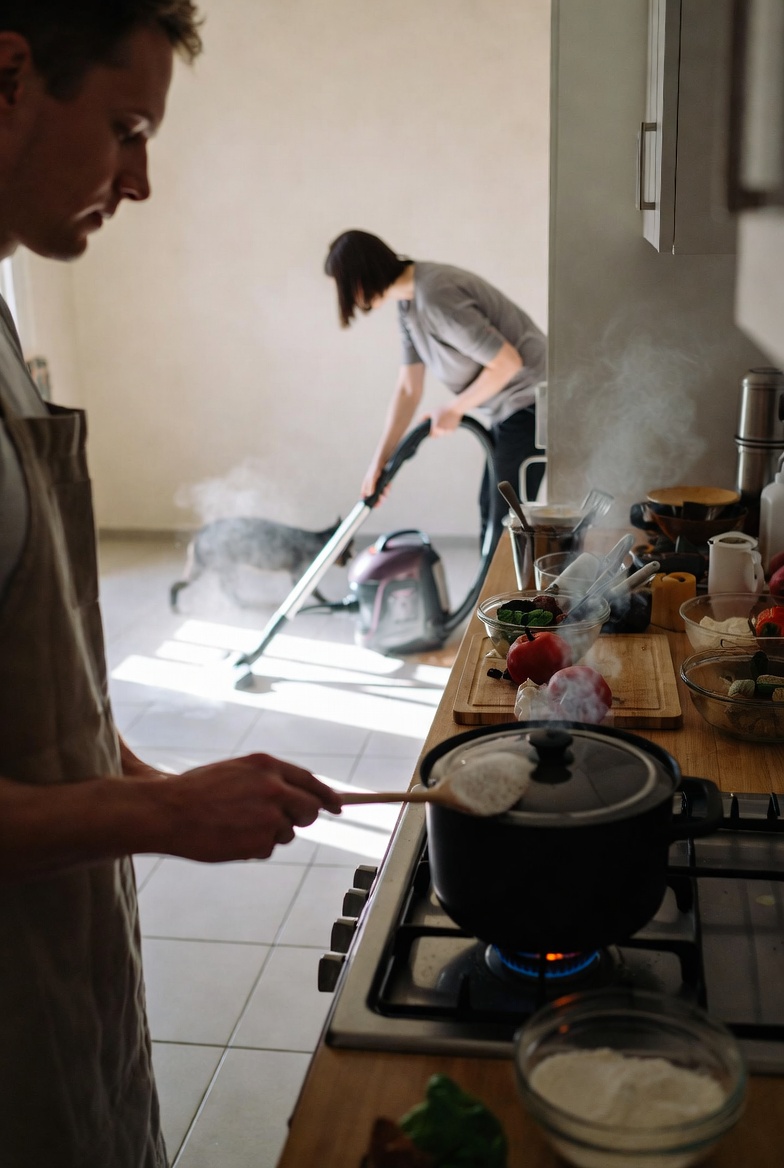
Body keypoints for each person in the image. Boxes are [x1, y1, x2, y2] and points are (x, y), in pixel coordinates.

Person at [0, 5, 343, 1166]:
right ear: (7, 75)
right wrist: (158, 813)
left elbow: (37, 713)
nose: (140, 179)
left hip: (60, 979)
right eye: (126, 128)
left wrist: (164, 782)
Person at [325, 229, 547, 544]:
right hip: (509, 409)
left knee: (506, 524)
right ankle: (498, 591)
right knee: (492, 513)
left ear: (360, 278)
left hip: (533, 404)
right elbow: (408, 389)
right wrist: (380, 463)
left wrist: (454, 409)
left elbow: (507, 363)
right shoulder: (409, 304)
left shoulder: (435, 298)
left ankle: (516, 593)